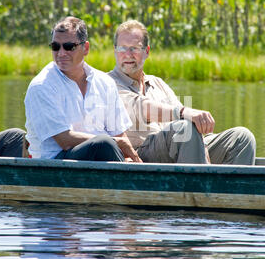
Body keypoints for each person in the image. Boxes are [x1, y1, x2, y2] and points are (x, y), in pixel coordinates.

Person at [108, 19, 256, 165]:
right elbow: (140, 107)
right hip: (140, 154)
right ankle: (200, 187)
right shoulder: (107, 83)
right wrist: (184, 111)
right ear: (115, 50)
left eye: (134, 48)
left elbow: (184, 122)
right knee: (184, 129)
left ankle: (226, 188)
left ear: (146, 51)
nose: (127, 54)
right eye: (122, 48)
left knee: (242, 137)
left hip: (178, 146)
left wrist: (202, 145)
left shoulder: (157, 83)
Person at [24, 16, 141, 162]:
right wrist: (116, 143)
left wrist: (132, 159)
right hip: (55, 162)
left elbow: (119, 135)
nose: (61, 53)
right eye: (55, 46)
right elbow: (64, 140)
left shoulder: (105, 83)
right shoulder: (42, 86)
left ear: (85, 48)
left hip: (100, 157)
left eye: (68, 47)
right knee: (103, 144)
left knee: (107, 145)